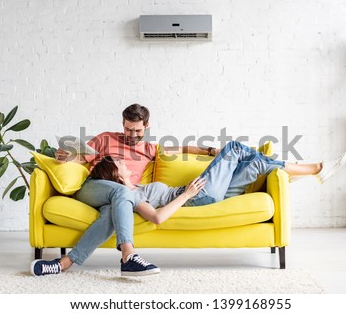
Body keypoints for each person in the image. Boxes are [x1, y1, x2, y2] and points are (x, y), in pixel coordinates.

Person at [30, 104, 220, 277]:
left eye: (137, 130)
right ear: (122, 124)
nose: (132, 134)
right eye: (128, 129)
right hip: (94, 187)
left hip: (120, 199)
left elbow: (182, 148)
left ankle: (62, 264)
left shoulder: (150, 149)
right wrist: (65, 159)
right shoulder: (105, 138)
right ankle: (128, 255)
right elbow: (82, 159)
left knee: (111, 214)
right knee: (123, 192)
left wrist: (211, 151)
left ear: (146, 126)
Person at [89, 141, 346, 225]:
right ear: (116, 175)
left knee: (256, 164)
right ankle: (315, 168)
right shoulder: (130, 196)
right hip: (197, 195)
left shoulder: (135, 183)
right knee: (234, 147)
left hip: (211, 194)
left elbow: (171, 146)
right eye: (120, 164)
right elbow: (157, 218)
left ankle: (315, 171)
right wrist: (187, 194)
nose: (125, 164)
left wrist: (208, 152)